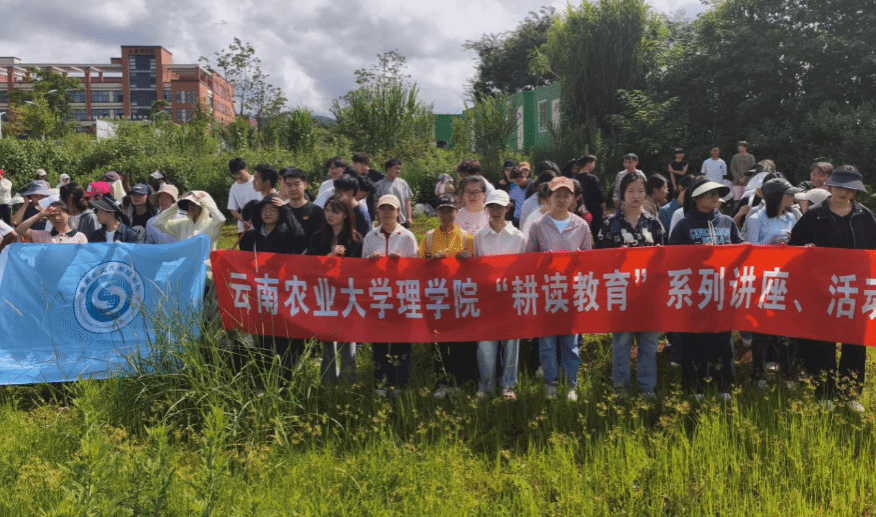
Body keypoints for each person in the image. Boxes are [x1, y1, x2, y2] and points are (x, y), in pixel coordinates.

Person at [789, 166, 876, 412]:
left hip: (855, 289)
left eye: (850, 189)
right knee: (823, 341)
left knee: (854, 342)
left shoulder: (865, 216)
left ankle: (850, 394)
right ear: (830, 186)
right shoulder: (815, 215)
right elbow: (794, 244)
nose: (844, 193)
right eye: (840, 187)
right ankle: (824, 392)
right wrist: (805, 247)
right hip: (822, 287)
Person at [669, 178, 742, 401]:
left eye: (718, 193)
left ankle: (724, 387)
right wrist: (697, 253)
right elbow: (673, 258)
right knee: (695, 341)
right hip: (695, 294)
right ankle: (695, 388)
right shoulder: (684, 225)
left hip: (721, 292)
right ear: (697, 198)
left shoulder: (727, 222)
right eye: (711, 193)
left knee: (723, 341)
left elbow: (739, 249)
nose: (716, 197)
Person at [526, 177, 593, 401]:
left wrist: (579, 259)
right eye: (557, 195)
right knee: (547, 342)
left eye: (566, 195)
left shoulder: (581, 225)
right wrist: (542, 261)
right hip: (547, 292)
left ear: (573, 198)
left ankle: (571, 383)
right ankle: (551, 383)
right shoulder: (538, 225)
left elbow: (589, 259)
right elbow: (528, 258)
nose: (562, 200)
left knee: (570, 342)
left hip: (571, 291)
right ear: (549, 197)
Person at [600, 173, 664, 396]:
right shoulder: (610, 223)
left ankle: (647, 388)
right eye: (631, 191)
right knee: (621, 342)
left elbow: (663, 258)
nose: (636, 196)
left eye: (640, 191)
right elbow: (599, 259)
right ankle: (621, 389)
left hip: (647, 293)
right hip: (620, 293)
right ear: (622, 193)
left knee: (649, 341)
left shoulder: (654, 223)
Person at [745, 178, 802, 387]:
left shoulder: (791, 216)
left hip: (787, 277)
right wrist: (772, 237)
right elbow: (752, 249)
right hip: (764, 278)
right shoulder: (755, 218)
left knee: (790, 328)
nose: (792, 197)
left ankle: (787, 371)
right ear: (777, 197)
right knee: (762, 330)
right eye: (788, 194)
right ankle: (759, 373)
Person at [418, 195, 475, 398]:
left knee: (459, 343)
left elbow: (477, 269)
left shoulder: (467, 238)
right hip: (437, 298)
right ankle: (442, 381)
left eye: (450, 210)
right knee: (438, 342)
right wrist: (432, 261)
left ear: (456, 212)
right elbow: (418, 266)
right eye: (442, 210)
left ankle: (458, 381)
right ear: (436, 213)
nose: (446, 214)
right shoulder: (429, 237)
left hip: (459, 298)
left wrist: (469, 258)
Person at [361, 195, 418, 396]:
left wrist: (401, 263)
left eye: (391, 209)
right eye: (383, 208)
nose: (387, 213)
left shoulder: (407, 236)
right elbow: (361, 268)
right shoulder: (370, 236)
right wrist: (370, 260)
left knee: (401, 341)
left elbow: (416, 268)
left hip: (401, 297)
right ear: (377, 211)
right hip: (379, 297)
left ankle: (399, 383)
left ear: (398, 212)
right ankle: (381, 383)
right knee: (379, 342)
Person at [307, 196, 363, 385]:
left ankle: (349, 380)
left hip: (347, 294)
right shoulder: (318, 237)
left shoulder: (355, 239)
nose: (329, 215)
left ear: (345, 215)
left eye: (335, 212)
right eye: (327, 211)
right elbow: (310, 265)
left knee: (348, 339)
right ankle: (328, 381)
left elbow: (360, 269)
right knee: (327, 339)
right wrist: (328, 257)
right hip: (324, 293)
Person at [474, 190, 526, 399]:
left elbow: (522, 268)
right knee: (485, 343)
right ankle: (486, 385)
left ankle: (508, 384)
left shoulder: (518, 237)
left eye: (500, 207)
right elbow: (476, 267)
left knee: (511, 342)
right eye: (492, 207)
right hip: (487, 298)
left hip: (510, 297)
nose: (496, 211)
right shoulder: (479, 236)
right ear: (487, 209)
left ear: (508, 208)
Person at [152, 190, 226, 250]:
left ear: (203, 206)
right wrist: (176, 205)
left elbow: (221, 219)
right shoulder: (181, 224)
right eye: (189, 203)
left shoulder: (211, 224)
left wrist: (206, 202)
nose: (192, 206)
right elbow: (158, 223)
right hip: (185, 263)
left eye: (195, 204)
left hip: (205, 264)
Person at [239, 193, 306, 254]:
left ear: (280, 213)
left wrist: (286, 210)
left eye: (272, 210)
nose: (267, 213)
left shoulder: (288, 233)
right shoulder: (252, 235)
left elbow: (300, 238)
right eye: (264, 210)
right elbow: (244, 256)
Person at [281, 167, 325, 243]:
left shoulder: (316, 211)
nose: (293, 189)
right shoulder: (281, 210)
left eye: (297, 184)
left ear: (305, 185)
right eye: (289, 185)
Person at [16, 200, 88, 244]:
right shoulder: (43, 236)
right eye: (52, 216)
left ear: (68, 214)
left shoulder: (79, 237)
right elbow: (20, 230)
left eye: (60, 214)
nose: (56, 218)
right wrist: (40, 215)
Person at [374, 159, 414, 228]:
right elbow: (376, 204)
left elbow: (407, 201)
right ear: (388, 169)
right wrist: (380, 220)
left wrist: (409, 217)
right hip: (387, 221)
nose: (398, 171)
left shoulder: (403, 183)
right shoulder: (379, 185)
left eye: (399, 169)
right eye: (396, 168)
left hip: (403, 221)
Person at [573, 155, 605, 239]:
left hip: (580, 212)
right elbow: (600, 196)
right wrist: (604, 210)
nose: (594, 165)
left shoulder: (575, 180)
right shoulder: (593, 178)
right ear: (589, 164)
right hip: (595, 212)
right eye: (593, 163)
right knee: (597, 236)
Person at [227, 158, 261, 236]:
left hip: (262, 224)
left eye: (239, 173)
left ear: (246, 168)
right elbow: (232, 209)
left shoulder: (258, 181)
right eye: (235, 174)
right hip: (246, 228)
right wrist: (243, 220)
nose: (238, 176)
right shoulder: (234, 188)